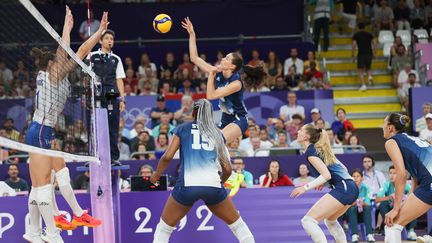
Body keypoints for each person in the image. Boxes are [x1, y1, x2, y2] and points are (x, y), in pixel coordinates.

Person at [24, 7, 103, 242]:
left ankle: (44, 228)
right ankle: (52, 231)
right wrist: (67, 28)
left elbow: (79, 52)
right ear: (52, 64)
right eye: (60, 59)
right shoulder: (52, 74)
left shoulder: (58, 74)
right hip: (39, 131)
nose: (65, 60)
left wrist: (99, 33)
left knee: (56, 174)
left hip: (44, 131)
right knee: (42, 186)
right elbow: (64, 51)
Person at [150, 99, 255, 243]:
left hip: (187, 184)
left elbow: (167, 156)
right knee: (238, 227)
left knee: (164, 229)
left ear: (193, 112)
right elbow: (228, 170)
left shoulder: (183, 128)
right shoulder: (217, 133)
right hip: (212, 184)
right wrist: (220, 183)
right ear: (210, 115)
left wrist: (156, 175)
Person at [182, 17, 265, 144]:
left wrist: (211, 74)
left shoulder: (236, 83)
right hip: (225, 118)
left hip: (239, 119)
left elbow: (211, 95)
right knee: (211, 146)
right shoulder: (218, 71)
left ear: (232, 66)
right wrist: (192, 34)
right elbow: (194, 58)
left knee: (217, 142)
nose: (223, 59)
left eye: (226, 58)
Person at [290, 124, 358, 243]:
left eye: (300, 130)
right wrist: (325, 179)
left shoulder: (311, 151)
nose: (298, 132)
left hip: (344, 187)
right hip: (351, 187)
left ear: (306, 137)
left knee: (308, 221)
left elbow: (326, 175)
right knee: (330, 220)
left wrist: (304, 188)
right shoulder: (320, 149)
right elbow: (344, 169)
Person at [380, 113, 432, 242]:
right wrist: (408, 198)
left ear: (390, 128)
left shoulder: (391, 142)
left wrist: (396, 208)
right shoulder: (412, 139)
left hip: (429, 181)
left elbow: (401, 174)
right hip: (427, 180)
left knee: (392, 224)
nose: (382, 127)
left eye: (384, 123)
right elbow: (415, 175)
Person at [89, 28, 126, 166]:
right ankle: (93, 157)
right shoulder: (91, 56)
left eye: (111, 39)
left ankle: (114, 158)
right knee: (94, 127)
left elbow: (119, 80)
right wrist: (84, 96)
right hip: (96, 93)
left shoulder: (116, 59)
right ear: (100, 41)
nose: (110, 41)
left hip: (111, 93)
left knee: (113, 126)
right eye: (107, 38)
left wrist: (122, 99)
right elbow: (85, 78)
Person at [376, 165, 417, 240]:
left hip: (401, 207)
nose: (392, 175)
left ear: (399, 174)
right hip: (390, 207)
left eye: (394, 173)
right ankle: (389, 228)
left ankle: (411, 231)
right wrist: (389, 197)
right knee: (383, 204)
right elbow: (377, 199)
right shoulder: (386, 184)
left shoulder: (404, 184)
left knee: (412, 204)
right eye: (390, 173)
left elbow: (412, 194)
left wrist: (404, 199)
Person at [346, 169, 375, 242]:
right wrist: (356, 203)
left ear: (362, 178)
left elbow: (368, 203)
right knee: (353, 208)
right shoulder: (348, 188)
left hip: (363, 213)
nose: (355, 178)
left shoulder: (366, 187)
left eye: (357, 176)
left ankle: (369, 235)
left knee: (367, 208)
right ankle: (354, 236)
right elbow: (347, 204)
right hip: (350, 213)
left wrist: (361, 203)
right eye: (353, 176)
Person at [352, 22, 376, 91]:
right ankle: (370, 76)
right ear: (365, 27)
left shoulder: (356, 35)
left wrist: (353, 55)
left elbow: (354, 45)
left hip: (361, 53)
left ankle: (363, 85)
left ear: (358, 28)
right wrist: (375, 53)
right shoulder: (369, 34)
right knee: (368, 67)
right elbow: (374, 43)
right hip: (369, 53)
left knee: (360, 70)